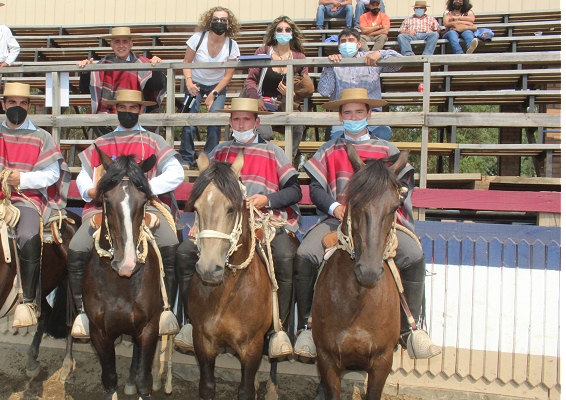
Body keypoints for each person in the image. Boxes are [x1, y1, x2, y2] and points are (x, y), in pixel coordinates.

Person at [292, 88, 439, 359]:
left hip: (381, 223)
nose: (353, 116)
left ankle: (410, 330)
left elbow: (402, 188)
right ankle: (305, 326)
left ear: (369, 114)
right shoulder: (328, 150)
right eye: (347, 112)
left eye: (359, 112)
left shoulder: (388, 151)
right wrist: (336, 207)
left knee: (414, 254)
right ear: (339, 116)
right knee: (305, 254)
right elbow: (315, 189)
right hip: (335, 221)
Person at [175, 98, 301, 353]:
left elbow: (295, 190)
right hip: (222, 224)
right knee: (184, 253)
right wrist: (201, 222)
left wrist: (268, 198)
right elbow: (205, 195)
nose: (241, 123)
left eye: (246, 119)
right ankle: (188, 323)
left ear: (257, 122)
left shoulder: (274, 152)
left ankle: (280, 330)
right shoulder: (219, 152)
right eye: (236, 119)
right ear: (230, 122)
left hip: (266, 221)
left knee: (285, 256)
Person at [67, 89, 184, 337]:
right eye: (123, 107)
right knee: (77, 246)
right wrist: (90, 191)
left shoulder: (153, 141)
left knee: (170, 243)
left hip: (145, 206)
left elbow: (176, 173)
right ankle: (81, 311)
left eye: (133, 108)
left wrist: (142, 190)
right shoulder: (102, 143)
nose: (128, 112)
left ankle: (166, 309)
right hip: (105, 206)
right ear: (115, 109)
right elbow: (83, 175)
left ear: (141, 110)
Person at [0, 82, 71, 328]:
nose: (17, 107)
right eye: (12, 102)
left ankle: (27, 300)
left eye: (23, 103)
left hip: (26, 199)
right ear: (3, 104)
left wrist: (22, 179)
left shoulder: (41, 137)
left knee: (27, 234)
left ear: (29, 107)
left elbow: (52, 174)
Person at [179, 6, 241, 169]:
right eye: (216, 19)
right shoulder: (198, 38)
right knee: (189, 119)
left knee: (214, 121)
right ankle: (186, 159)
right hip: (195, 83)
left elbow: (228, 75)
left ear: (229, 24)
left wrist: (214, 93)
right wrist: (189, 82)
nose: (219, 22)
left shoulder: (232, 45)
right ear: (210, 21)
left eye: (223, 20)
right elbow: (186, 62)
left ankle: (210, 159)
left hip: (217, 85)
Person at [243, 15, 312, 159]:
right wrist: (256, 99)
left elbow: (305, 86)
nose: (283, 32)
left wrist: (291, 94)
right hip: (262, 106)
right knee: (265, 133)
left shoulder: (299, 57)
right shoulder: (263, 52)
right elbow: (250, 80)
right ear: (274, 33)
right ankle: (264, 160)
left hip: (284, 104)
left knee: (298, 125)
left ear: (292, 33)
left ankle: (288, 161)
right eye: (279, 29)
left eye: (287, 29)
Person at [77, 26, 164, 136]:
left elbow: (157, 86)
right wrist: (86, 70)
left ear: (131, 44)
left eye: (125, 42)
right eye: (117, 42)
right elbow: (84, 90)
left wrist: (156, 67)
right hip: (108, 117)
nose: (121, 45)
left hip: (137, 114)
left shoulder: (143, 63)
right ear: (111, 45)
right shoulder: (103, 65)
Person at [318, 28, 401, 140]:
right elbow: (324, 91)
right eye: (343, 41)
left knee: (383, 133)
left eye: (351, 40)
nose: (347, 43)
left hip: (371, 114)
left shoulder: (371, 57)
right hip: (344, 115)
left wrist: (380, 53)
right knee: (337, 138)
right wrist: (328, 65)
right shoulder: (334, 62)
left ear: (359, 44)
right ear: (338, 46)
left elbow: (399, 63)